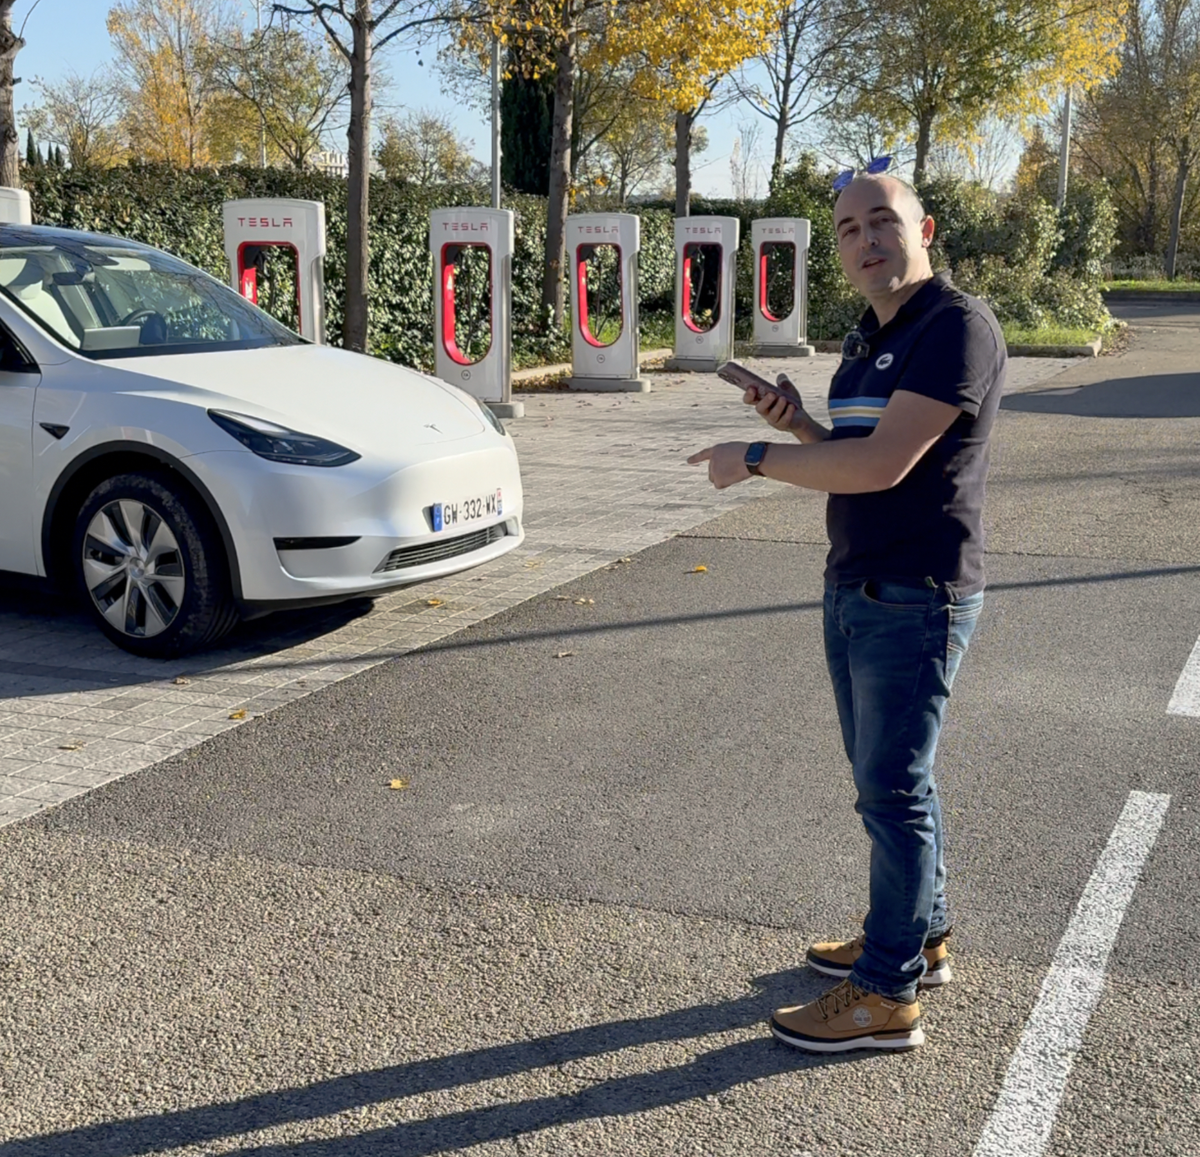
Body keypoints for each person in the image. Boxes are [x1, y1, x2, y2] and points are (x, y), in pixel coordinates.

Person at [687, 170, 1007, 1053]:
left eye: (883, 222)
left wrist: (750, 456)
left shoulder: (957, 330)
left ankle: (886, 992)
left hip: (916, 593)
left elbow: (884, 469)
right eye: (847, 230)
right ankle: (916, 932)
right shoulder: (869, 336)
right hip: (857, 582)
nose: (865, 241)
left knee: (892, 789)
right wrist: (792, 425)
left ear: (925, 228)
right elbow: (850, 454)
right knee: (894, 784)